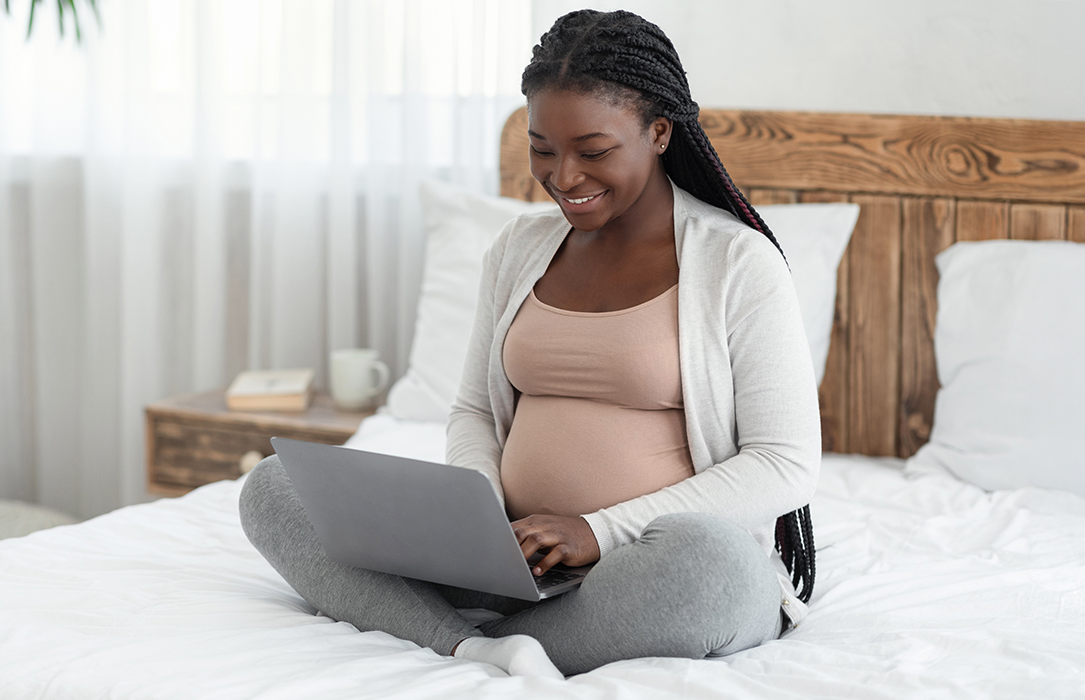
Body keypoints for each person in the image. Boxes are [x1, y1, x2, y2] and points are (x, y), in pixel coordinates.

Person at [239, 9, 821, 679]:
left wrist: (597, 531)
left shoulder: (736, 264)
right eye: (543, 147)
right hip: (506, 561)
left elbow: (783, 464)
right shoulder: (518, 249)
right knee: (275, 488)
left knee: (707, 570)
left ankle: (428, 629)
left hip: (641, 564)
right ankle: (481, 645)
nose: (564, 175)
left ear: (659, 132)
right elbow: (474, 413)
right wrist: (477, 518)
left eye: (593, 150)